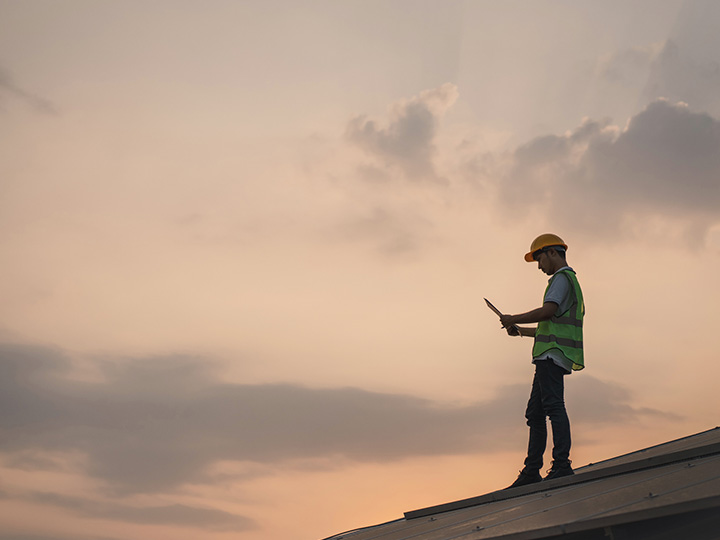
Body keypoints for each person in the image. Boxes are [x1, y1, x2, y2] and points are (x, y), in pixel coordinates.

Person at [499, 233, 585, 488]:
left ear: (553, 253)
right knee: (535, 413)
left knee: (552, 407)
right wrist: (521, 331)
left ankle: (560, 465)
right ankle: (532, 470)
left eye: (539, 259)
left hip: (552, 355)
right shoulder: (569, 281)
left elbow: (547, 311)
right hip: (552, 353)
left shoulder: (560, 279)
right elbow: (551, 325)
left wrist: (513, 317)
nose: (539, 266)